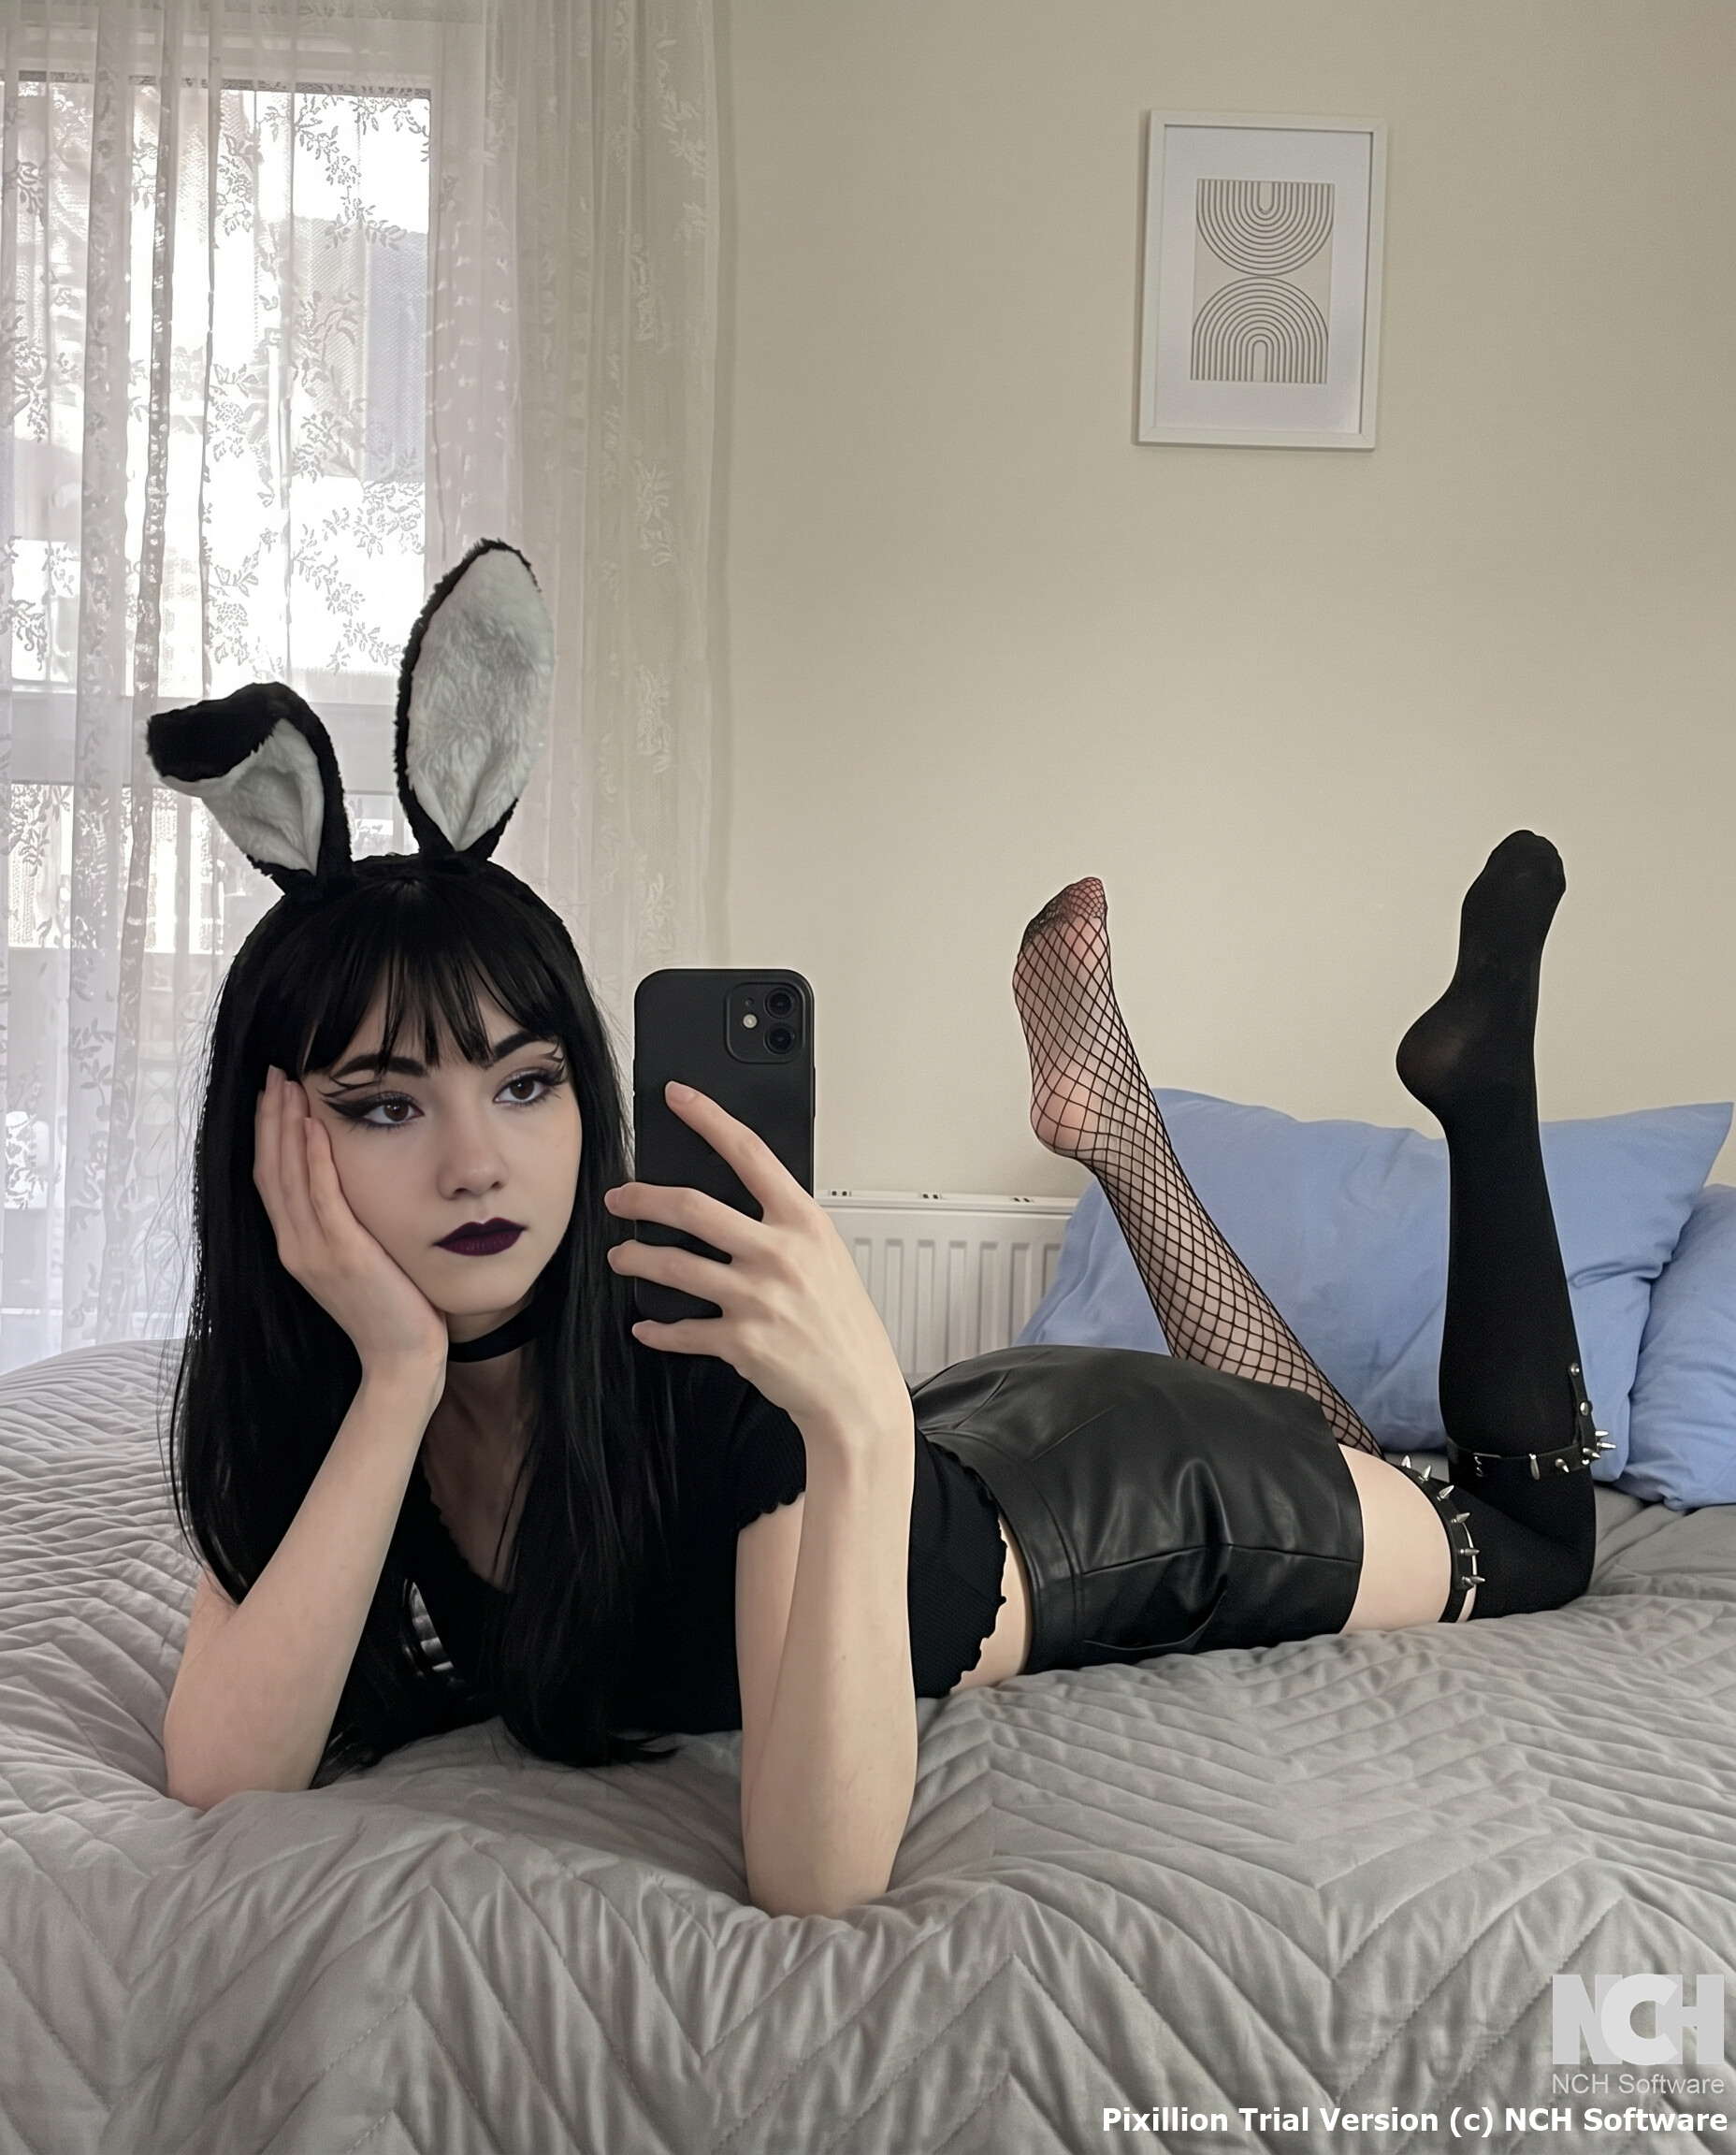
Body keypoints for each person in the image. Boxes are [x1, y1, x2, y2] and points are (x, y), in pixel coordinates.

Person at [158, 542, 1609, 1919]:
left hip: (1112, 1506)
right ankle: (1116, 1127)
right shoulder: (323, 1387)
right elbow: (223, 1771)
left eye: (526, 1083)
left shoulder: (700, 1347)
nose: (477, 1163)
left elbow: (822, 1877)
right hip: (971, 1429)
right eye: (385, 1106)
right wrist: (396, 1380)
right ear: (271, 1137)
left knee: (1530, 1536)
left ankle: (1484, 1099)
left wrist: (854, 1421)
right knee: (1336, 1440)